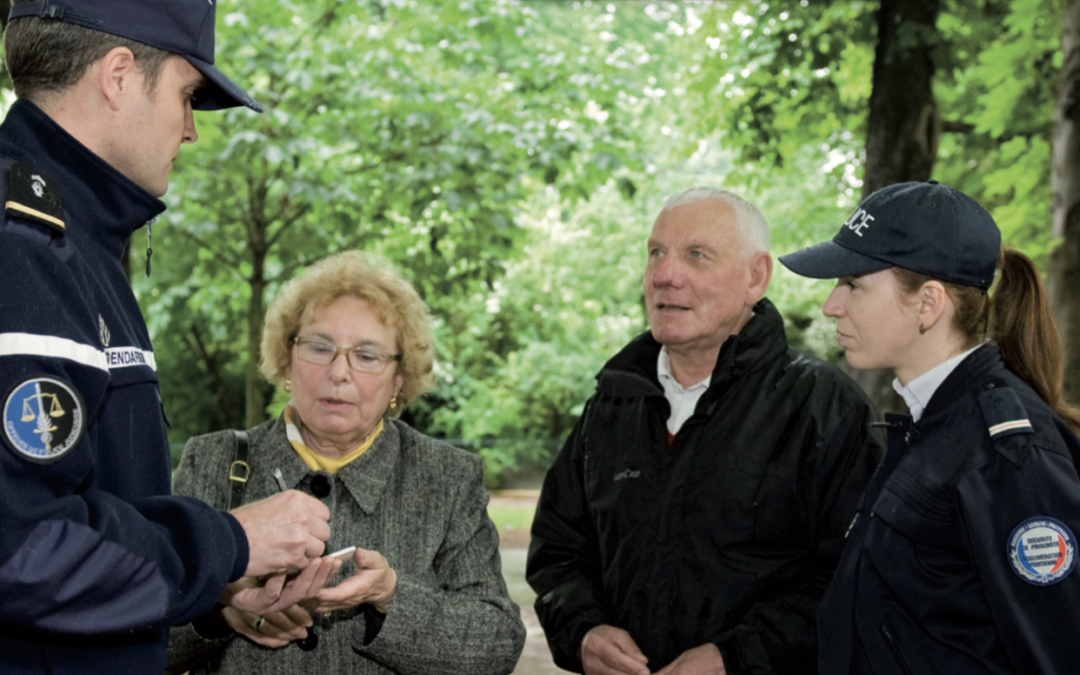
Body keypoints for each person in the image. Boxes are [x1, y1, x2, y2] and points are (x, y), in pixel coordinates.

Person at [0, 2, 337, 673]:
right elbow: (24, 546)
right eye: (187, 96)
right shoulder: (24, 247)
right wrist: (229, 542)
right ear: (119, 75)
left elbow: (91, 504)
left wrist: (210, 587)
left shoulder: (75, 238)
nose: (189, 131)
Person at [527, 187, 885, 675]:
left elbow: (855, 583)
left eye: (697, 255)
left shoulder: (825, 410)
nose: (664, 275)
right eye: (656, 253)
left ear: (755, 277)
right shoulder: (611, 407)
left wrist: (734, 659)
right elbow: (558, 554)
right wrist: (583, 631)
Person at [166, 250, 526, 675]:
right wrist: (220, 609)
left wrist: (391, 598)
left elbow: (497, 645)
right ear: (287, 361)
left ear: (398, 379)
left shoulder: (447, 477)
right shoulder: (212, 461)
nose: (339, 372)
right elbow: (141, 633)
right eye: (319, 347)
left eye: (367, 356)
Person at [779, 181, 1080, 675]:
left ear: (928, 303)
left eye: (853, 283)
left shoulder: (1005, 452)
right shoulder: (929, 426)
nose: (832, 305)